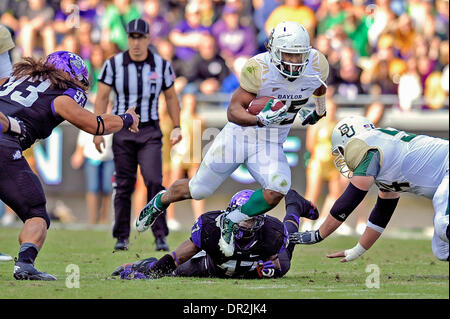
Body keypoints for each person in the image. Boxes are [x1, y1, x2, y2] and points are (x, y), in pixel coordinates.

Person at [136, 21, 329, 258]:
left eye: (299, 56)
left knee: (278, 189)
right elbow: (233, 110)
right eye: (288, 55)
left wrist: (319, 110)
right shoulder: (259, 69)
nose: (294, 62)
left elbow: (318, 87)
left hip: (270, 142)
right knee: (198, 189)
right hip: (240, 135)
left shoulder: (317, 65)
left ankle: (230, 220)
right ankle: (160, 201)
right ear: (275, 51)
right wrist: (259, 120)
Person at [0, 50, 139, 280]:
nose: (80, 88)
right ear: (67, 75)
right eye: (78, 81)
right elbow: (95, 125)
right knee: (35, 213)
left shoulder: (13, 79)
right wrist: (127, 119)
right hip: (4, 145)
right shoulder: (61, 96)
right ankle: (24, 265)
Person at [289, 116, 449, 262]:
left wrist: (319, 234)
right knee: (441, 249)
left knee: (443, 224)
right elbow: (381, 213)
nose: (344, 157)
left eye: (343, 152)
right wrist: (358, 250)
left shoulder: (365, 144)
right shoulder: (384, 154)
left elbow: (351, 198)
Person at [94, 19, 182, 252]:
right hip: (122, 130)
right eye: (132, 37)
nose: (136, 42)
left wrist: (177, 125)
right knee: (123, 184)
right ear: (127, 39)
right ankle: (121, 236)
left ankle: (160, 235)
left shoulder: (161, 65)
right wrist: (98, 128)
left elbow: (172, 97)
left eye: (140, 37)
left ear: (148, 39)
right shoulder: (113, 65)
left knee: (154, 181)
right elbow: (102, 96)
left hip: (150, 130)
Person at [112, 189, 319, 280]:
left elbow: (277, 264)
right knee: (174, 271)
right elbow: (177, 257)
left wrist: (269, 268)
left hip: (250, 267)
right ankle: (141, 265)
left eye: (254, 218)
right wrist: (152, 272)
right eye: (244, 218)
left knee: (287, 248)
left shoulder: (270, 232)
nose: (249, 223)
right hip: (214, 265)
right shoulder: (212, 228)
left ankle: (294, 204)